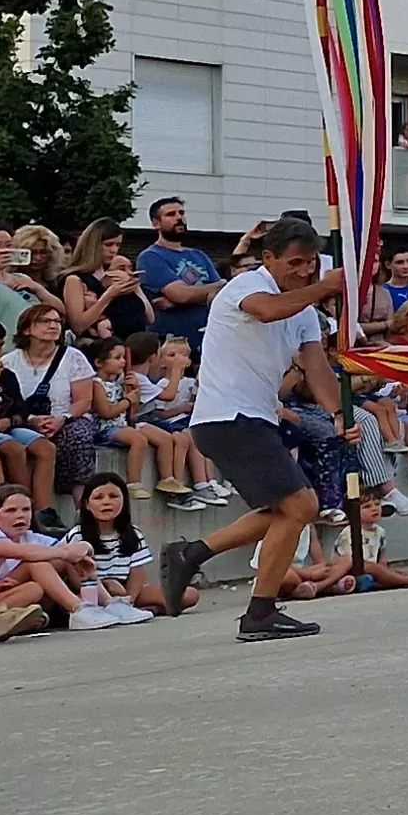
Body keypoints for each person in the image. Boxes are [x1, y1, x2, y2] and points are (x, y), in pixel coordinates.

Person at [153, 213, 344, 644]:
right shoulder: (246, 286)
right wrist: (327, 286)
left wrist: (338, 416)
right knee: (300, 506)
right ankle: (259, 610)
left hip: (252, 417)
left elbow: (317, 371)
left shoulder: (305, 313)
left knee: (287, 510)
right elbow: (268, 310)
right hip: (227, 416)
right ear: (269, 258)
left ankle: (193, 554)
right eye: (294, 263)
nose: (304, 271)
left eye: (311, 263)